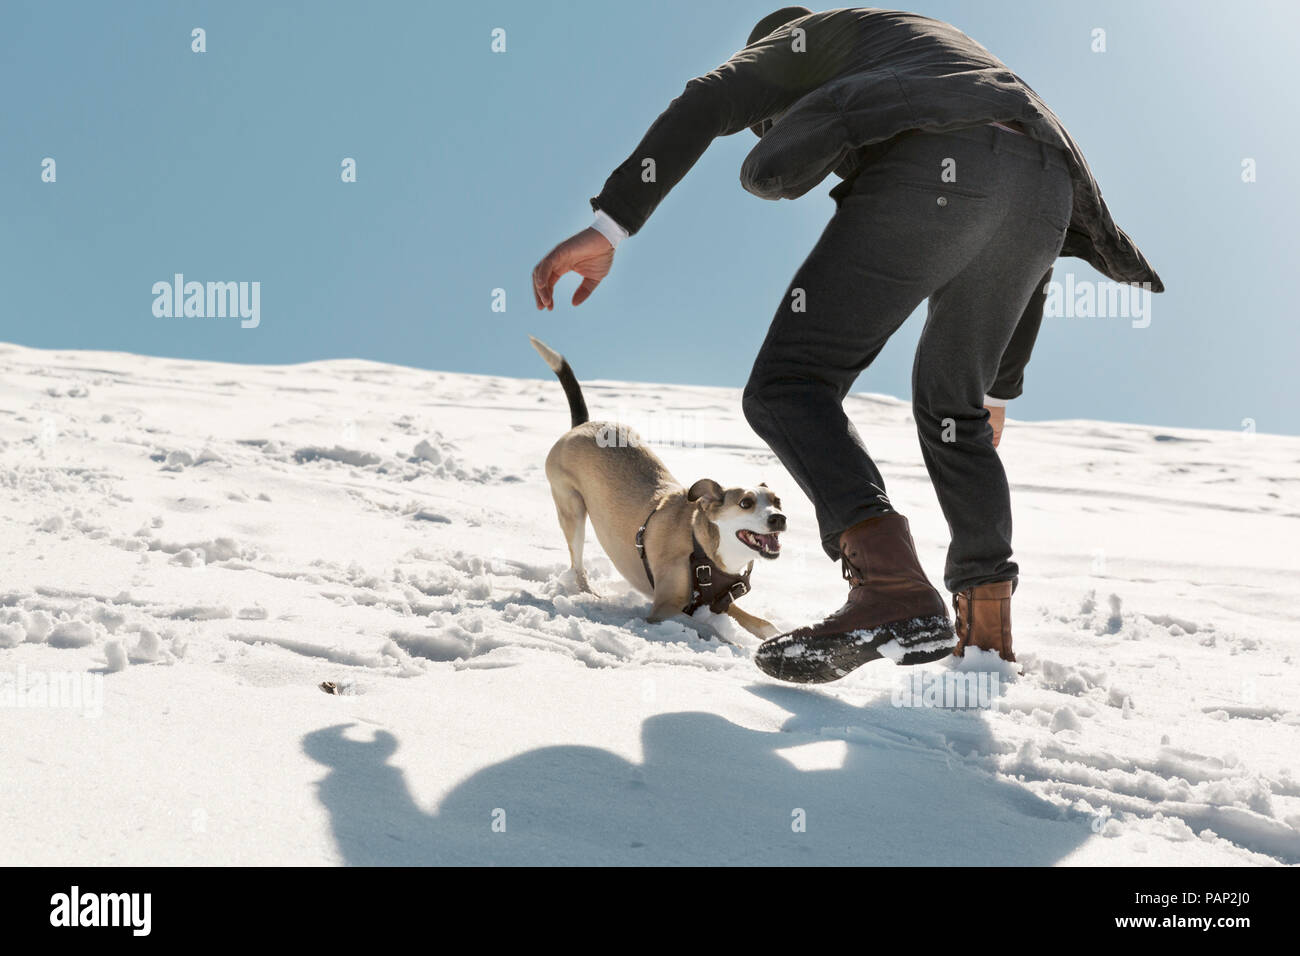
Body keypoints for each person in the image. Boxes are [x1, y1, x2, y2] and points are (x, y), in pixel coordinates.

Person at [531, 7, 1162, 682]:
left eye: (769, 121)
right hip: (1048, 187)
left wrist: (611, 223)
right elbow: (1026, 242)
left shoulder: (801, 42)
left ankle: (891, 589)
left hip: (945, 160)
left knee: (789, 384)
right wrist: (995, 387)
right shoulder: (920, 52)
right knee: (955, 415)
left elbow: (706, 99)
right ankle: (986, 641)